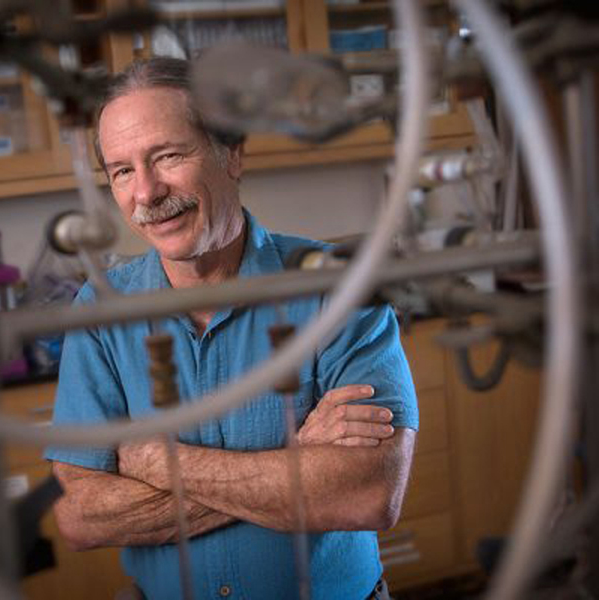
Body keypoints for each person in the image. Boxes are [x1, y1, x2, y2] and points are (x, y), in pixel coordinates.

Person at [44, 56, 417, 600]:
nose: (145, 193)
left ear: (233, 152)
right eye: (122, 170)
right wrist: (296, 470)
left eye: (168, 156)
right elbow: (81, 518)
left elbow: (368, 493)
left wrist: (157, 464)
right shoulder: (100, 309)